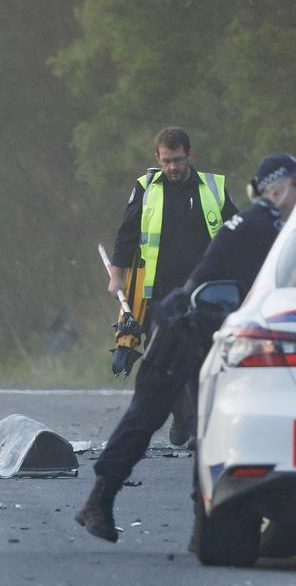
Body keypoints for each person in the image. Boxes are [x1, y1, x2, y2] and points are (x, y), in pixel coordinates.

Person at [78, 153, 296, 545]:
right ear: (279, 189)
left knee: (204, 427)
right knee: (147, 416)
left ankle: (203, 528)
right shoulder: (265, 226)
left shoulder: (269, 224)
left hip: (211, 328)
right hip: (183, 327)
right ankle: (99, 499)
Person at [106, 127, 238, 444]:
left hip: (204, 293)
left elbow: (237, 231)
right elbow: (126, 233)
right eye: (166, 161)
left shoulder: (214, 188)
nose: (172, 168)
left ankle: (200, 424)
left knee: (204, 359)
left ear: (189, 156)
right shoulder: (145, 188)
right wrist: (117, 275)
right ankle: (182, 419)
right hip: (159, 296)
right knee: (168, 361)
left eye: (178, 160)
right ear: (158, 158)